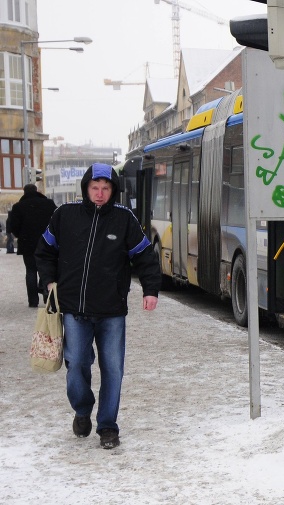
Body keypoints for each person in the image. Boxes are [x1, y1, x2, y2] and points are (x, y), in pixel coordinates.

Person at [35, 163, 161, 450]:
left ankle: (107, 427)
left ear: (113, 190)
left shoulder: (124, 219)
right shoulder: (64, 216)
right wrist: (50, 281)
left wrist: (151, 289)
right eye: (95, 188)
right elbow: (44, 251)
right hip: (74, 310)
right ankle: (82, 410)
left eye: (106, 188)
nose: (100, 194)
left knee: (113, 369)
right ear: (86, 188)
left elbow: (144, 256)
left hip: (112, 311)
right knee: (77, 363)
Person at [8, 184, 57, 307]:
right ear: (37, 191)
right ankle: (47, 294)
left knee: (30, 271)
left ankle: (33, 301)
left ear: (24, 192)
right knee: (45, 269)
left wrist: (21, 235)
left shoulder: (18, 207)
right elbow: (57, 220)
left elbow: (12, 226)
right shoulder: (49, 204)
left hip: (27, 243)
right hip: (46, 241)